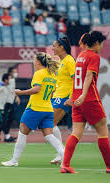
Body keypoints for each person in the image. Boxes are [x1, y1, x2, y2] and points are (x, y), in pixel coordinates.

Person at [1, 52, 64, 166]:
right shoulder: (52, 75)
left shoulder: (39, 73)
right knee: (49, 135)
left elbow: (36, 89)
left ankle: (14, 161)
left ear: (39, 62)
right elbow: (51, 93)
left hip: (35, 108)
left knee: (22, 133)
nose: (34, 62)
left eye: (34, 60)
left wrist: (21, 92)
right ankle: (65, 156)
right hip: (48, 109)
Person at [61, 31, 110, 174]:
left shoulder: (80, 56)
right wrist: (83, 94)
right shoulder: (94, 56)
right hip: (89, 98)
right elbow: (89, 75)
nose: (101, 47)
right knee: (102, 131)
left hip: (77, 101)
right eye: (101, 44)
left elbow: (76, 79)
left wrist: (73, 97)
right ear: (95, 43)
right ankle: (109, 166)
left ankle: (65, 164)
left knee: (76, 132)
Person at [50, 37, 75, 164]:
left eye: (54, 46)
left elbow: (76, 80)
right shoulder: (60, 61)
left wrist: (72, 97)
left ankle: (62, 154)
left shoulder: (70, 61)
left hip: (64, 97)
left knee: (49, 124)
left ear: (61, 47)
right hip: (57, 96)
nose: (52, 48)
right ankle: (61, 154)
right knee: (50, 124)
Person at [0, 67, 19, 142]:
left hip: (11, 102)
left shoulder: (13, 80)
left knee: (11, 119)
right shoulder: (7, 80)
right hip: (6, 103)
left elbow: (12, 90)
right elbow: (0, 83)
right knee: (5, 120)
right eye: (14, 72)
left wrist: (16, 96)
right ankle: (6, 136)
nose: (16, 73)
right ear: (10, 73)